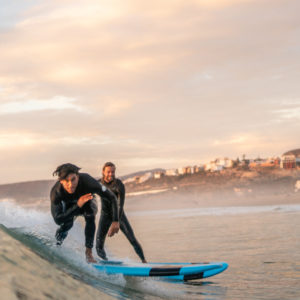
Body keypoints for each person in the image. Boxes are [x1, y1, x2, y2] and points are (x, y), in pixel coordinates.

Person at [50, 163, 120, 263]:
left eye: (73, 179)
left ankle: (89, 253)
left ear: (78, 176)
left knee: (90, 214)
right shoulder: (56, 193)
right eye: (66, 181)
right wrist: (78, 205)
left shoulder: (88, 181)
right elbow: (58, 219)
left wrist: (115, 221)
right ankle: (56, 245)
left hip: (88, 202)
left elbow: (112, 197)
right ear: (61, 181)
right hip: (71, 206)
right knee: (67, 224)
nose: (70, 184)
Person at [96, 162, 147, 263]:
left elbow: (120, 204)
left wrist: (116, 221)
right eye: (108, 172)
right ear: (103, 172)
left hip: (119, 215)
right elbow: (89, 193)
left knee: (132, 239)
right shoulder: (98, 184)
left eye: (113, 172)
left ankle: (144, 261)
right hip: (105, 215)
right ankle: (105, 262)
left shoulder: (119, 185)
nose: (111, 174)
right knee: (99, 244)